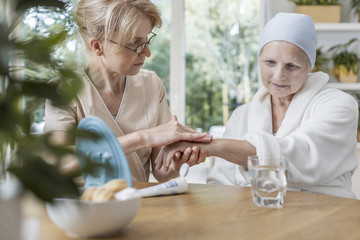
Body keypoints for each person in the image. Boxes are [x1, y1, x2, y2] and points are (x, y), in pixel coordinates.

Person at [154, 13, 359, 198]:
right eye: (270, 62)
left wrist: (209, 145)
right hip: (257, 219)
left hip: (325, 216)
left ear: (310, 66)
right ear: (259, 60)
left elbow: (299, 155)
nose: (279, 76)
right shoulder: (242, 115)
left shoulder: (340, 105)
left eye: (292, 66)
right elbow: (221, 184)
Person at [43, 0, 211, 183]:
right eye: (135, 43)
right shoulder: (62, 91)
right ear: (97, 46)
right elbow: (59, 165)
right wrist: (144, 137)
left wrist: (176, 163)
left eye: (147, 40)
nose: (147, 52)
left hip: (140, 206)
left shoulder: (151, 85)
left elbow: (162, 171)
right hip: (86, 208)